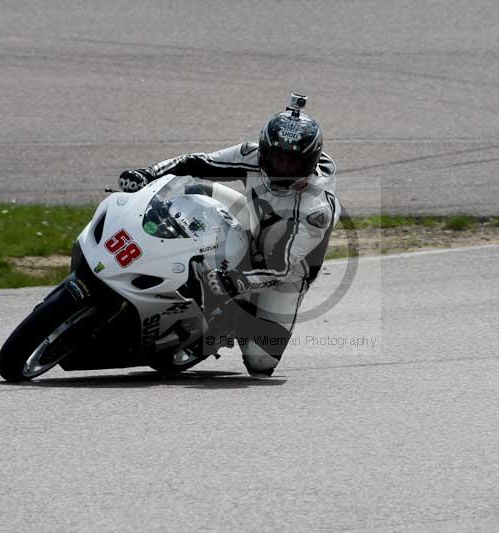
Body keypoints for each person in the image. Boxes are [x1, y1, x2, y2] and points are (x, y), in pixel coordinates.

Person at [118, 93, 340, 377]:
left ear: (309, 163)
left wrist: (235, 281)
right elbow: (196, 162)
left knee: (261, 363)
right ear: (264, 150)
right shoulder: (252, 155)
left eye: (292, 164)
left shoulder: (315, 209)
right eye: (275, 159)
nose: (281, 169)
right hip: (252, 217)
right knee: (189, 192)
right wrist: (146, 174)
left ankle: (231, 317)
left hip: (288, 266)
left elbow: (279, 268)